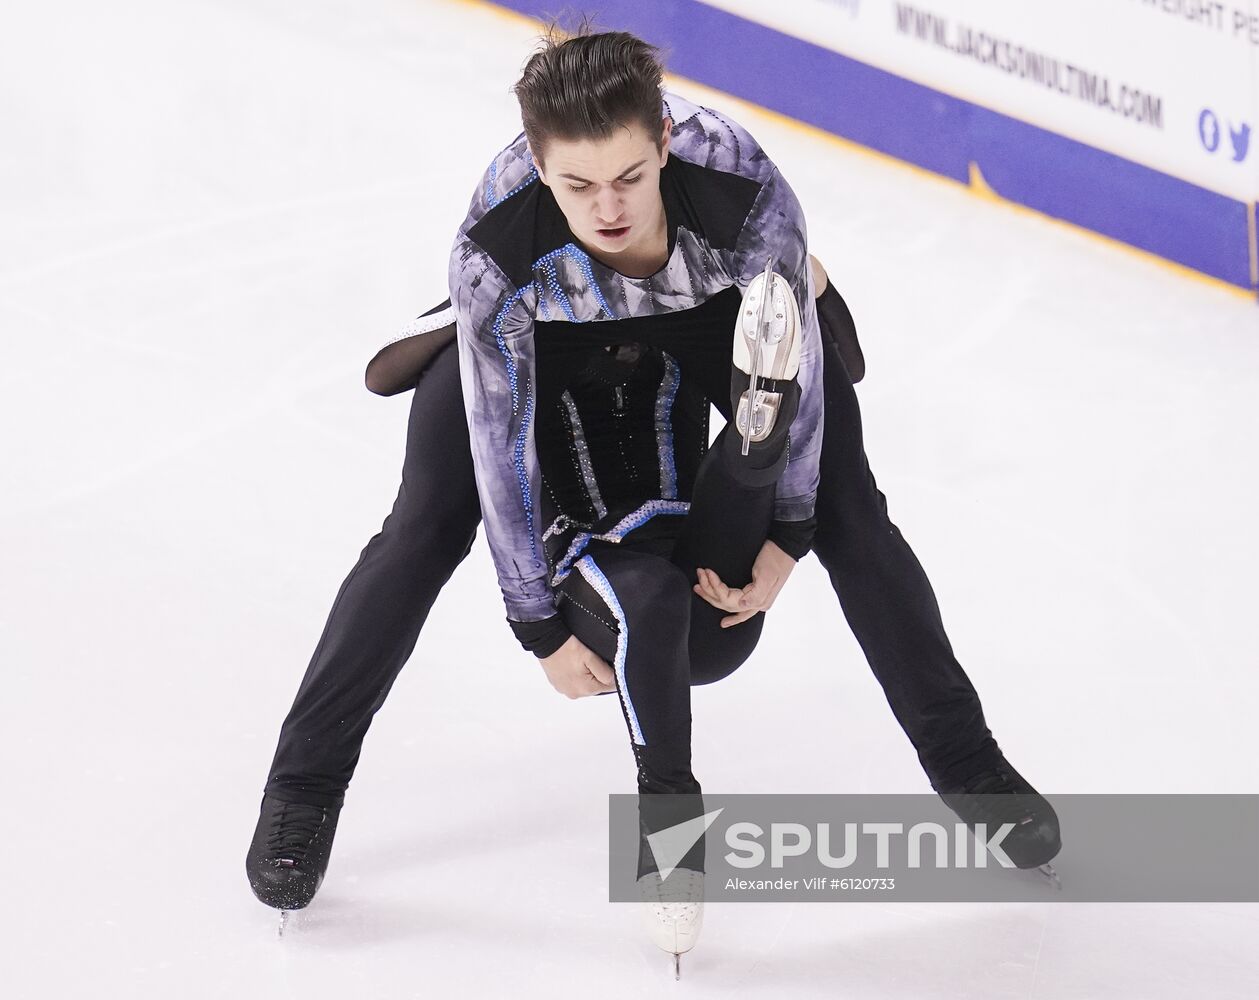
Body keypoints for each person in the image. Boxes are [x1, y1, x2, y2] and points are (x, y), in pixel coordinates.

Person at [247, 25, 1061, 940]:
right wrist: (537, 625)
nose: (606, 209)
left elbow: (805, 396)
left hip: (713, 311)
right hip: (543, 334)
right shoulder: (495, 244)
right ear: (538, 168)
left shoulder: (743, 191)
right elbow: (499, 445)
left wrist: (789, 531)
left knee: (850, 510)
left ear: (664, 140)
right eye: (577, 186)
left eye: (629, 179)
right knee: (425, 524)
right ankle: (303, 788)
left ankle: (969, 765)